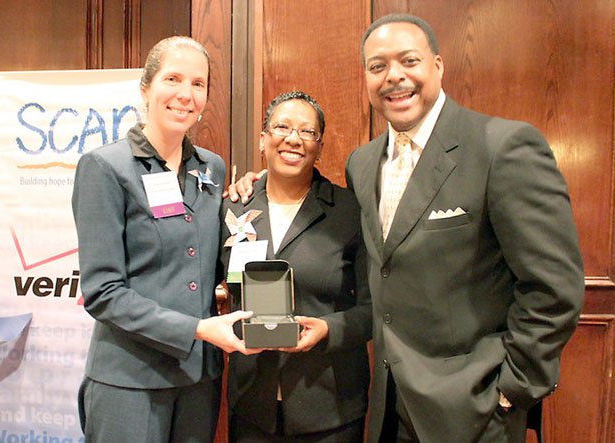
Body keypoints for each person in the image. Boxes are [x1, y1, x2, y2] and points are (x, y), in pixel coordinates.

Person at [229, 14, 584, 443]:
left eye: (409, 61)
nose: (394, 76)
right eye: (378, 66)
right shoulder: (362, 165)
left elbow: (554, 287)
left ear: (437, 65)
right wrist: (256, 183)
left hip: (473, 407)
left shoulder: (502, 147)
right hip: (387, 405)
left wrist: (513, 389)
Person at [72, 36, 254, 443]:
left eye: (198, 84)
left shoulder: (212, 168)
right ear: (146, 87)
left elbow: (216, 252)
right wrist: (198, 329)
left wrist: (260, 195)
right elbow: (102, 293)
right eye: (173, 79)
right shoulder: (105, 168)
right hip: (128, 381)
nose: (185, 95)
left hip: (197, 382)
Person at [219, 91, 372, 442]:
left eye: (307, 132)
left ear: (319, 146)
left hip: (328, 403)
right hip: (252, 404)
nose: (293, 139)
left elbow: (375, 308)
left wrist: (328, 329)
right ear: (263, 139)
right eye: (282, 127)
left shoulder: (349, 212)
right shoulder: (232, 208)